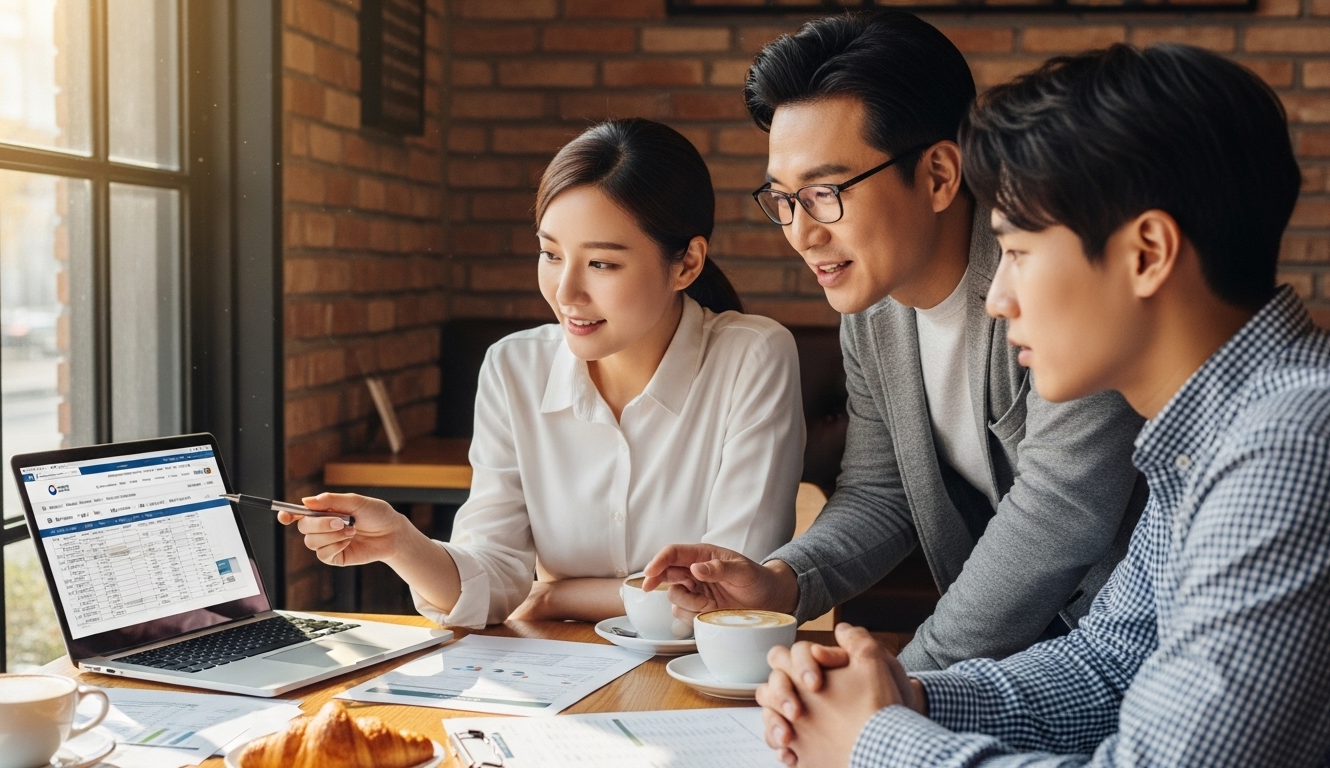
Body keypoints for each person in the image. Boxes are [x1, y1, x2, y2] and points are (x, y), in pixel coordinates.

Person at [759, 43, 1330, 767]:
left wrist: (878, 743)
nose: (997, 299)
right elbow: (1112, 661)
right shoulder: (1211, 432)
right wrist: (910, 697)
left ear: (1147, 252)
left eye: (1019, 253)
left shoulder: (1291, 443)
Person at [644, 11, 1146, 672]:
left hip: (1131, 658)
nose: (800, 231)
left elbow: (1057, 515)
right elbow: (882, 492)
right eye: (783, 198)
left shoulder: (1051, 283)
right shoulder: (873, 311)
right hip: (1020, 671)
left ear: (938, 175)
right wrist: (782, 584)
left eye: (825, 192)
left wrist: (907, 681)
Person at [281, 119, 805, 627]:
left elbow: (731, 596)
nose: (565, 292)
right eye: (551, 254)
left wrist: (558, 596)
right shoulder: (514, 367)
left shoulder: (753, 356)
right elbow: (493, 577)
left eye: (601, 263)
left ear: (687, 263)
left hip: (701, 681)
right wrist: (400, 541)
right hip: (556, 677)